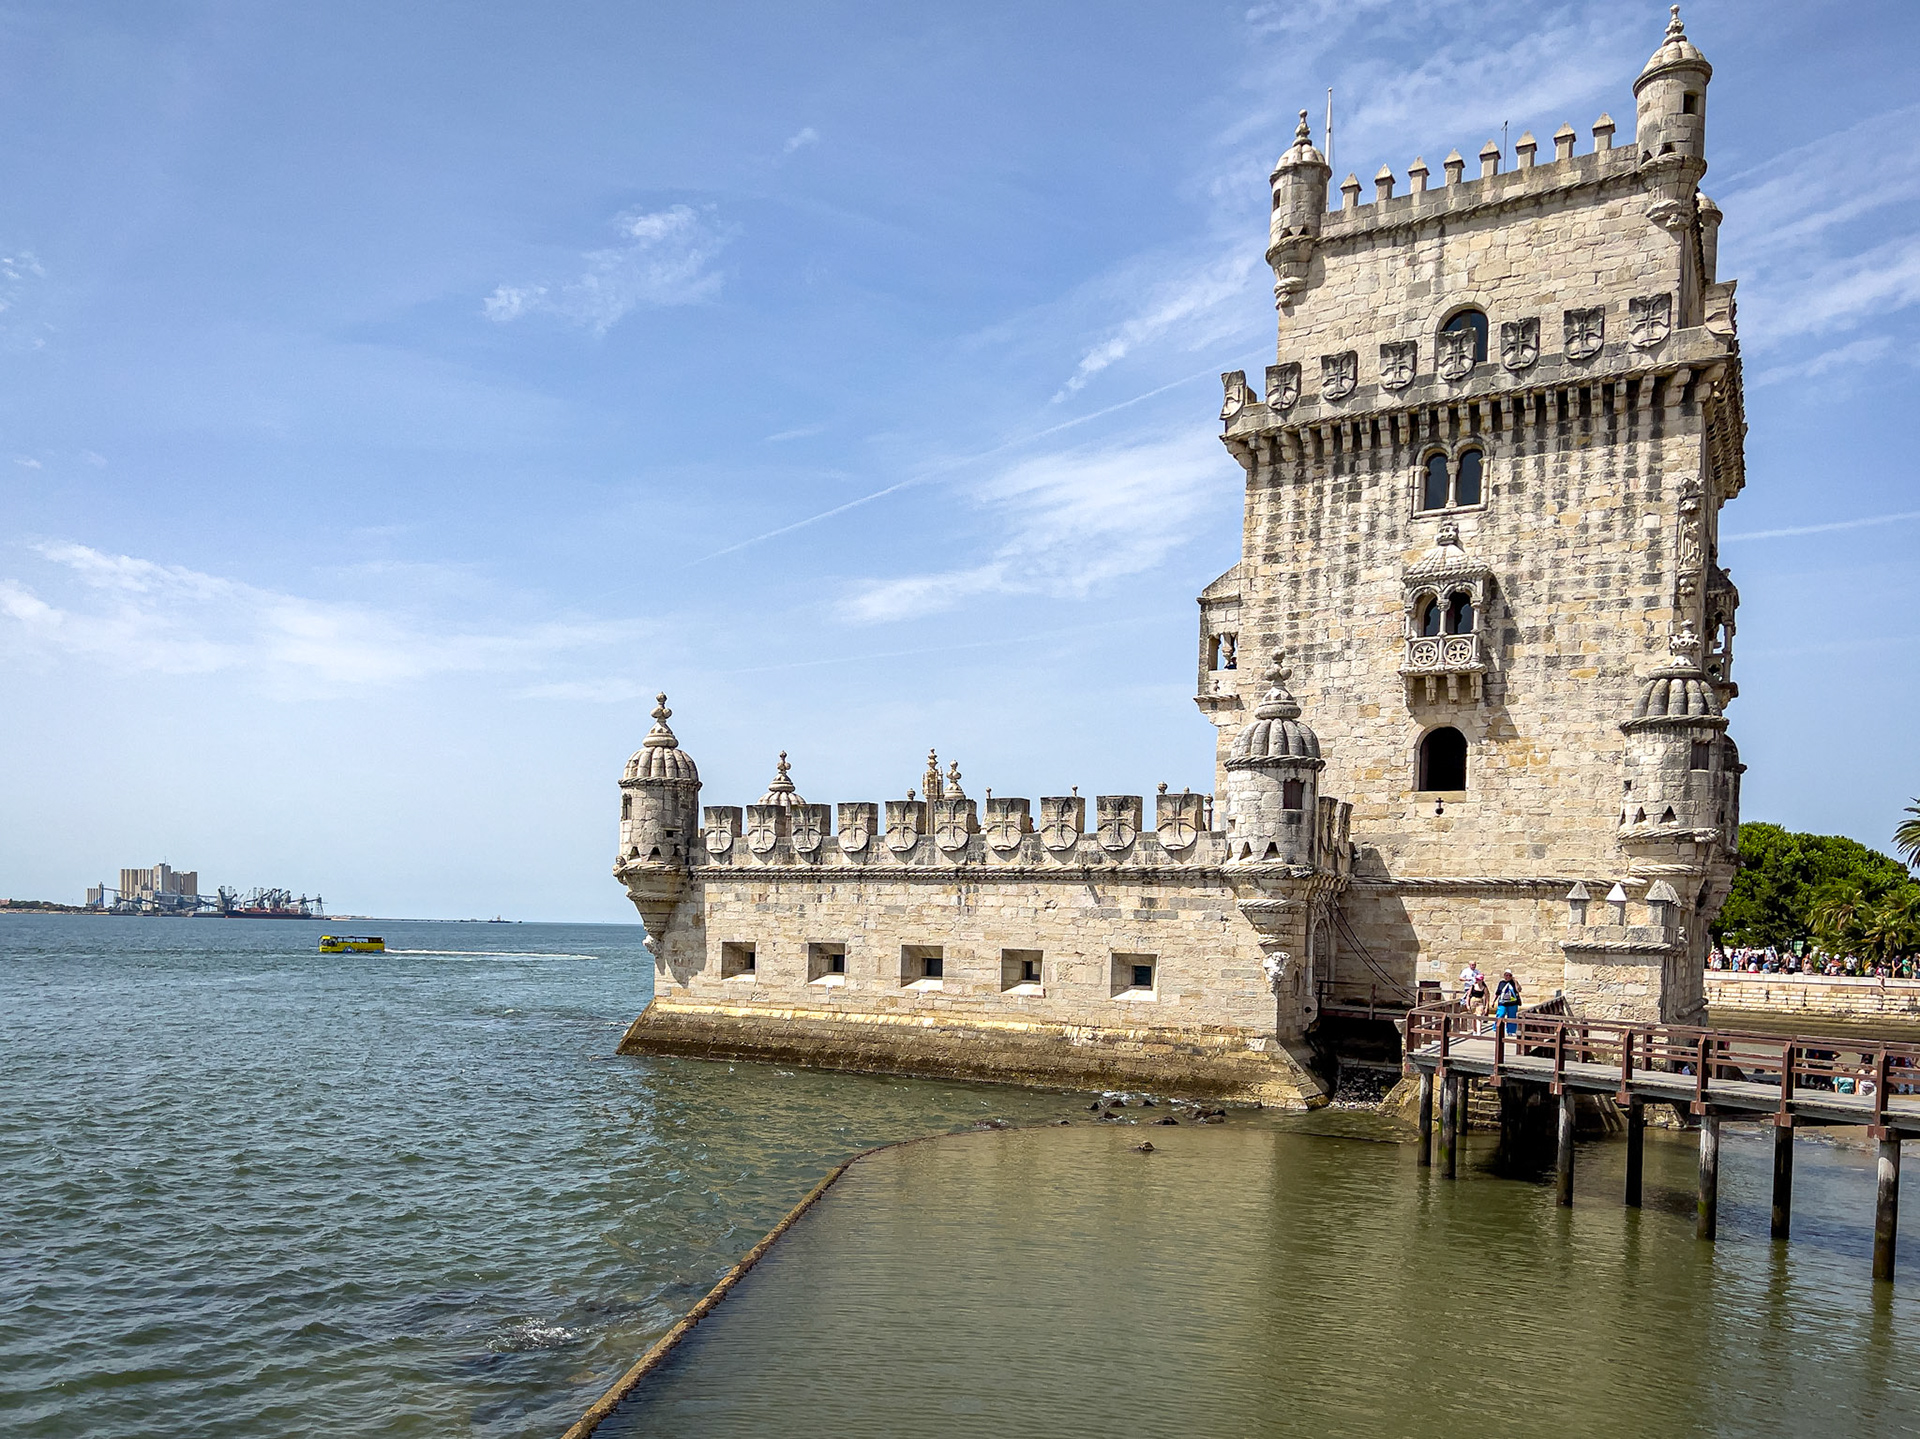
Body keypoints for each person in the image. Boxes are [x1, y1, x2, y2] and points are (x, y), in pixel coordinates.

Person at [1493, 970, 1521, 1035]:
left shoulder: (1514, 982)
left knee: (1512, 1017)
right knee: (1500, 1014)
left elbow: (1519, 990)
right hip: (1502, 1002)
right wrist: (1493, 1001)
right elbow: (1497, 993)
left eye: (1509, 975)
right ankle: (1496, 1028)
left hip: (1512, 1003)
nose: (1508, 977)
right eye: (1506, 975)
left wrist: (1515, 981)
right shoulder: (1501, 983)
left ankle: (1511, 1031)